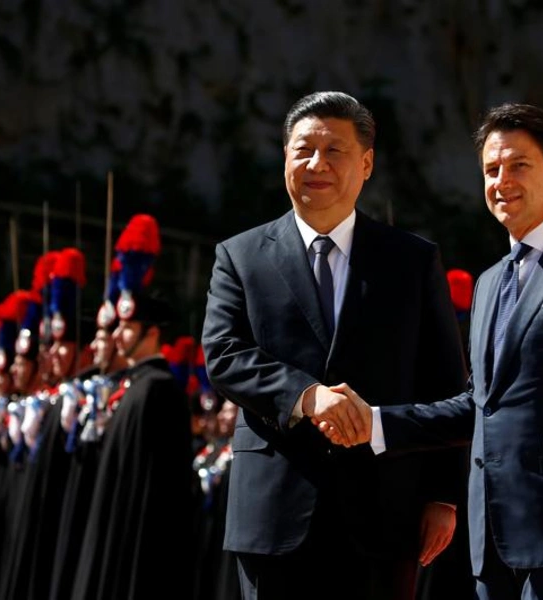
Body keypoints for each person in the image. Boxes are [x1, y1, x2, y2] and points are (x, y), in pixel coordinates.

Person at [319, 103, 543, 600]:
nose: (502, 181)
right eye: (491, 170)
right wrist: (374, 423)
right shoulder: (489, 283)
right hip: (492, 543)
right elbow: (479, 406)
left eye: (518, 165)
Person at [201, 90, 468, 600]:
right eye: (303, 150)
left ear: (366, 164)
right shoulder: (240, 256)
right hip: (275, 511)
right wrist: (306, 396)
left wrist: (442, 496)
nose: (316, 164)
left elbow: (443, 382)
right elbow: (225, 353)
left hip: (385, 510)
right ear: (285, 158)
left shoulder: (411, 261)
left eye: (335, 151)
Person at [71, 219, 193, 600]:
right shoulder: (130, 386)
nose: (118, 335)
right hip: (111, 515)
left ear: (152, 332)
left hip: (139, 527)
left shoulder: (160, 389)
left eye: (128, 327)